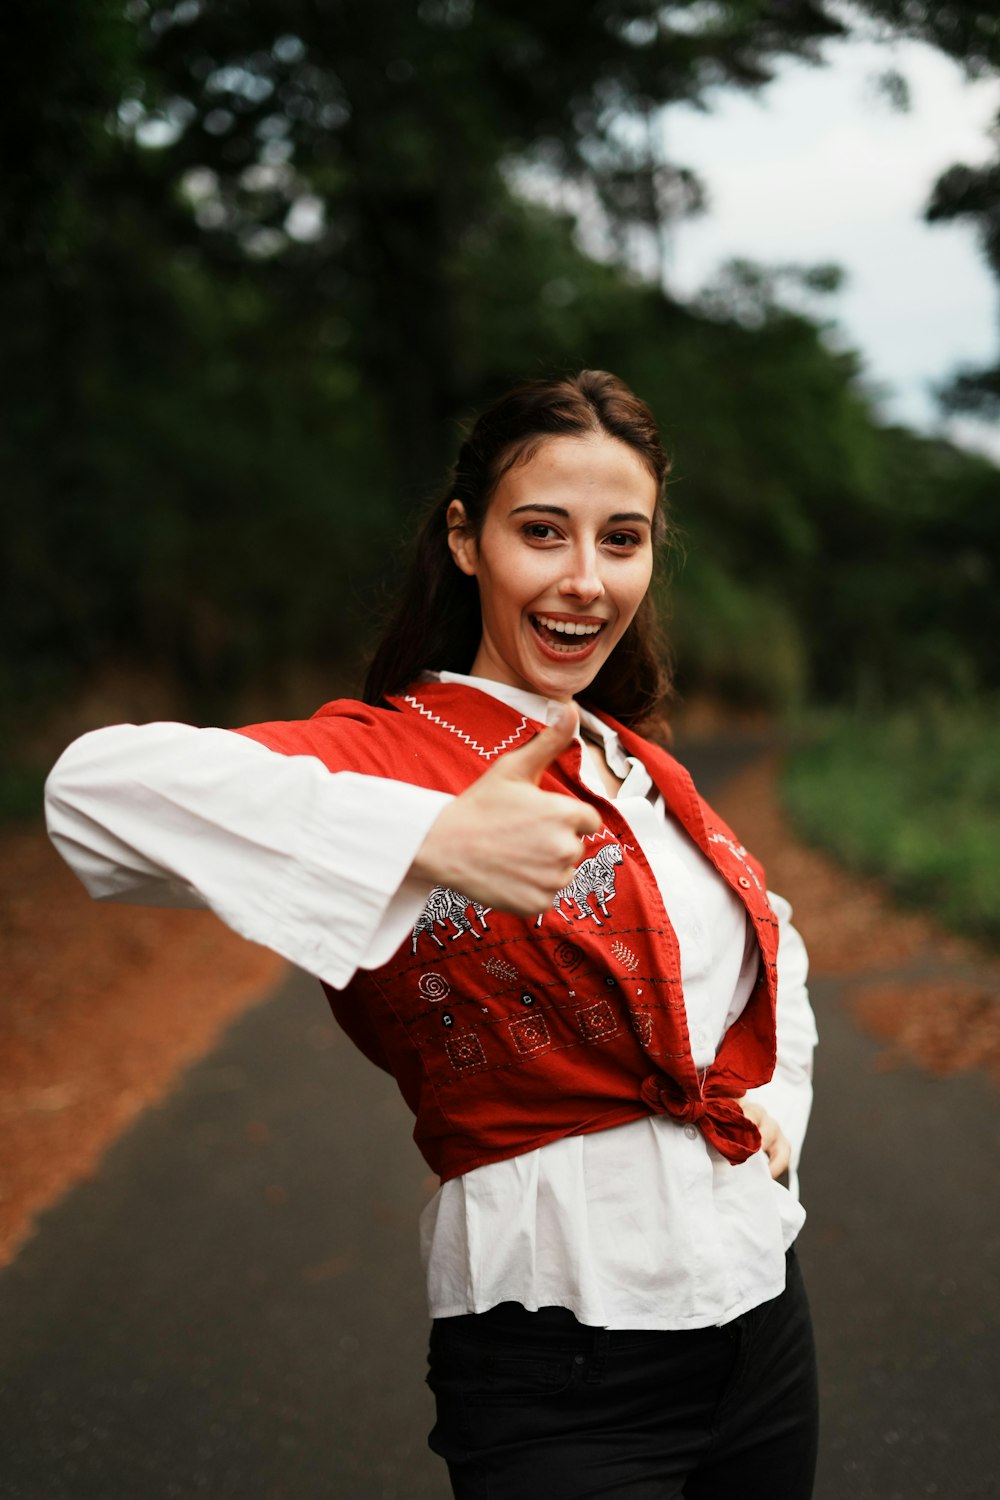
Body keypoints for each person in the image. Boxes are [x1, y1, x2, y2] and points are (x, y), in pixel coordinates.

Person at [45, 370, 819, 1499]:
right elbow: (89, 797)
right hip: (560, 1362)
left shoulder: (635, 761)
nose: (584, 581)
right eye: (542, 533)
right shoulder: (388, 750)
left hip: (763, 1319)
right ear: (465, 539)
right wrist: (429, 837)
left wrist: (777, 1103)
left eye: (623, 539)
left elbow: (771, 940)